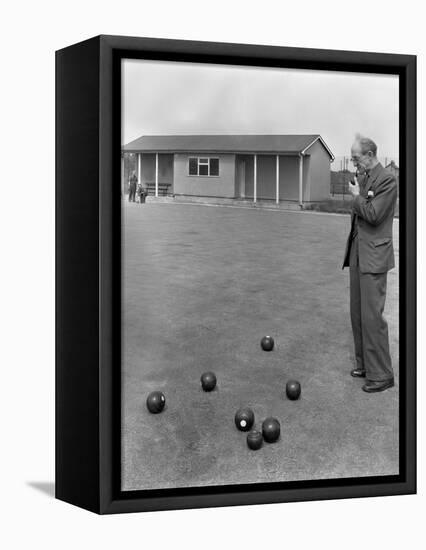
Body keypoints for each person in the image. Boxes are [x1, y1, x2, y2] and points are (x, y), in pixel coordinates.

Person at [342, 135, 397, 393]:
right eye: (352, 158)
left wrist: (355, 196)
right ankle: (365, 365)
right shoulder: (364, 178)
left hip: (374, 257)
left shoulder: (387, 179)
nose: (354, 163)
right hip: (358, 253)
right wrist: (358, 192)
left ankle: (382, 374)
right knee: (357, 313)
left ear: (370, 154)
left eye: (356, 158)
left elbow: (374, 215)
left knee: (372, 317)